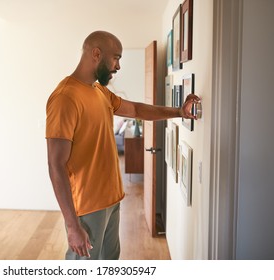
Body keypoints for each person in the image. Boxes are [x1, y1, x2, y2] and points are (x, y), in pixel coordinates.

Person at [45, 31, 200, 260]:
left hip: (112, 200)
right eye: (115, 58)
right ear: (96, 54)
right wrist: (71, 225)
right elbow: (55, 165)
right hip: (87, 207)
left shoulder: (99, 92)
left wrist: (179, 112)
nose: (117, 67)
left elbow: (136, 110)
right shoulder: (65, 97)